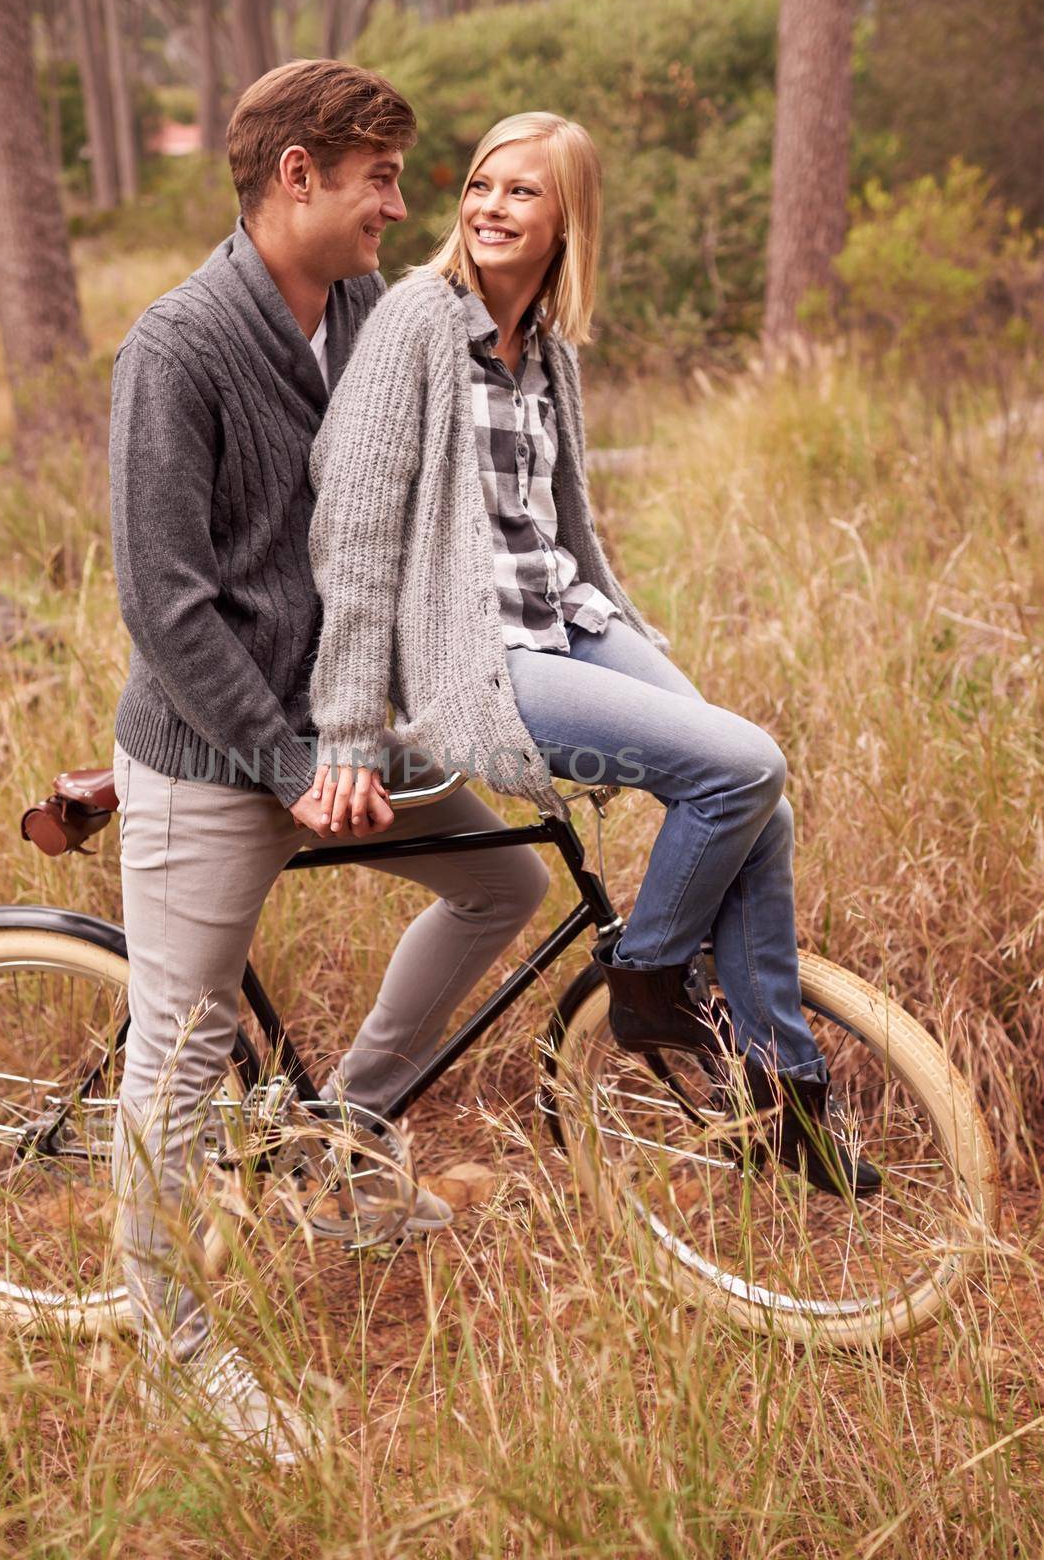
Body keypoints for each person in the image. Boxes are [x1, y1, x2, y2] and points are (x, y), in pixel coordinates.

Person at [307, 110, 880, 1207]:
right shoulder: (416, 321)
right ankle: (649, 979)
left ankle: (781, 1085)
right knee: (743, 766)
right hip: (472, 662)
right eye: (480, 183)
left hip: (564, 623)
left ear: (569, 218)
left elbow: (564, 534)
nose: (487, 206)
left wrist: (630, 639)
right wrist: (346, 728)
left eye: (521, 192)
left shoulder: (550, 354)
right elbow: (355, 531)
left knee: (766, 797)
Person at [108, 65, 551, 1464]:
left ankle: (339, 1137)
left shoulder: (368, 312)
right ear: (296, 174)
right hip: (212, 749)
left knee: (500, 887)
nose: (398, 205)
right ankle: (180, 1360)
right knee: (174, 1065)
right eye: (378, 177)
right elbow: (163, 598)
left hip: (350, 734)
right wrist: (286, 758)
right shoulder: (175, 349)